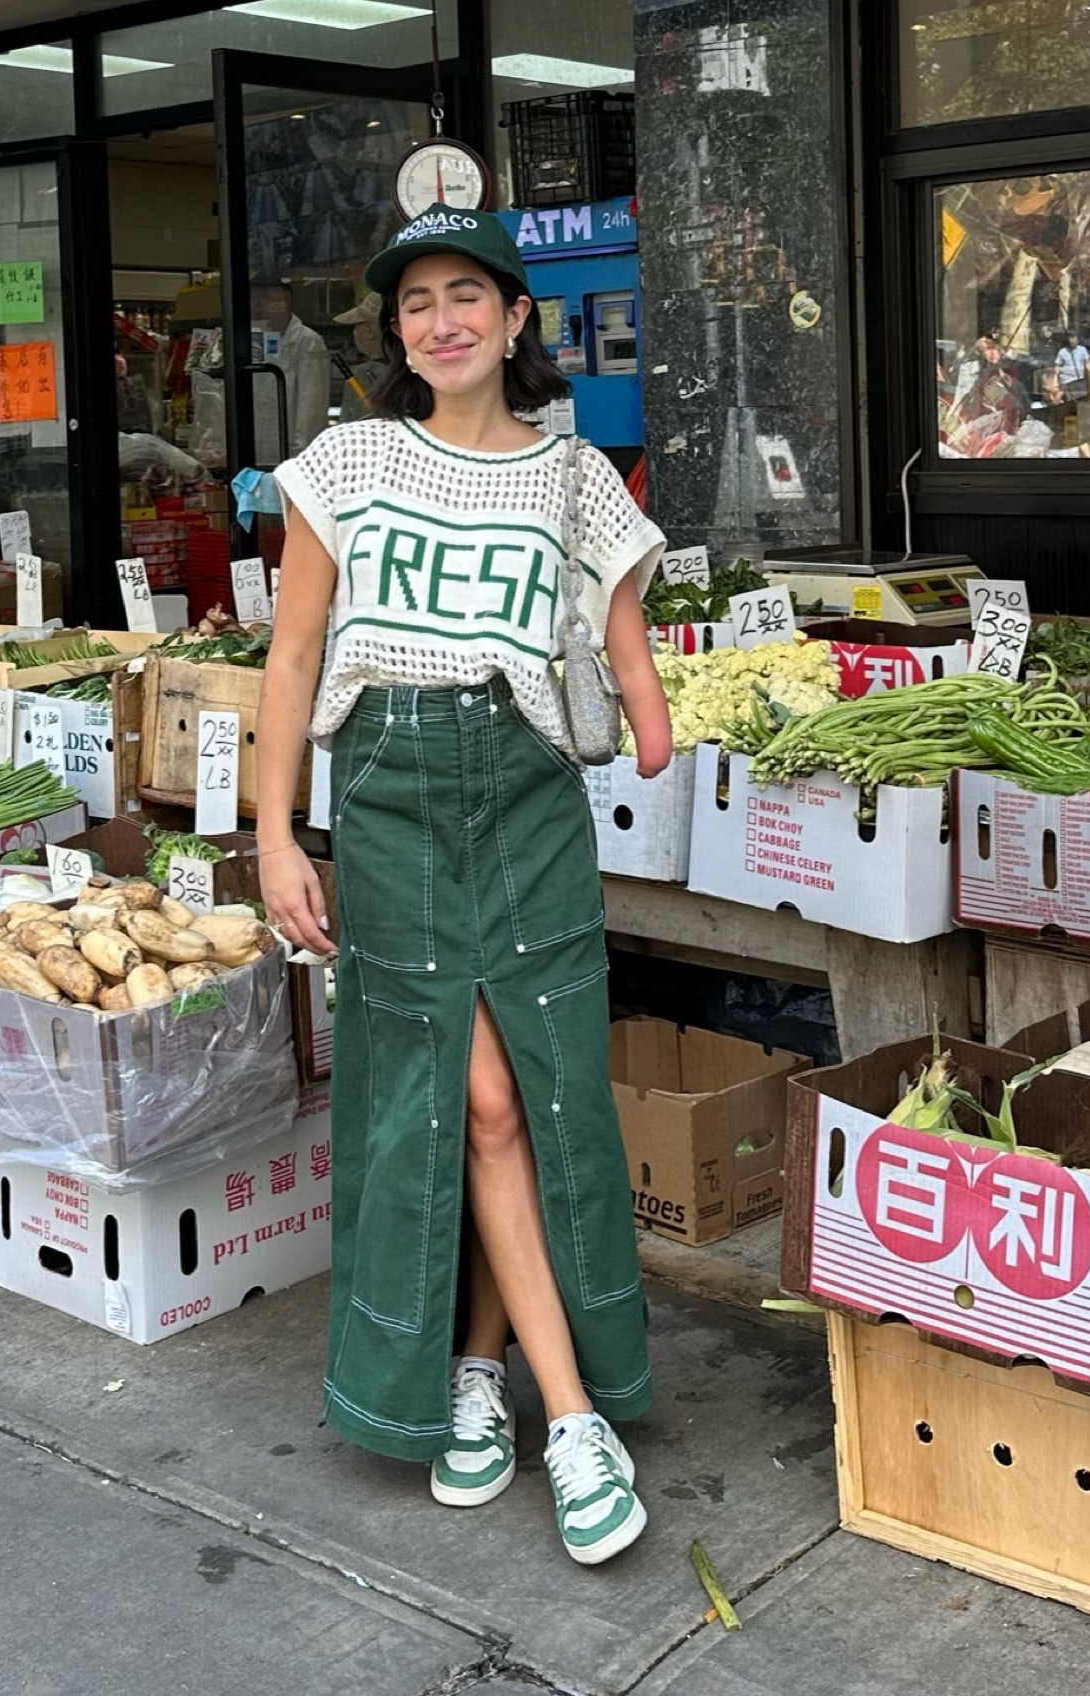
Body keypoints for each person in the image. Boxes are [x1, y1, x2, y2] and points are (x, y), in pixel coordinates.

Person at [257, 205, 672, 1567]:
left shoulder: (572, 477)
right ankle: (575, 1417)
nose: (441, 321)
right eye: (416, 302)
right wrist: (277, 835)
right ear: (397, 334)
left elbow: (623, 644)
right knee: (468, 1099)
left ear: (514, 320)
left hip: (529, 795)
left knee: (539, 1096)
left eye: (467, 296)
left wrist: (653, 704)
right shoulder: (350, 463)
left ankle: (478, 1375)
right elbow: (294, 660)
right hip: (390, 800)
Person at [251, 280, 330, 461]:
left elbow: (311, 407)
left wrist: (301, 458)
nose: (256, 305)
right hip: (255, 453)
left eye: (264, 297)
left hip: (291, 458)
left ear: (285, 301)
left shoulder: (307, 341)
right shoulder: (252, 339)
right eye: (253, 298)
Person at [332, 292, 387, 422]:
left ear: (369, 332)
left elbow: (348, 425)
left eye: (357, 325)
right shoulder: (409, 370)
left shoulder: (363, 373)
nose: (354, 332)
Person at [1054, 326, 1090, 446]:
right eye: (1070, 338)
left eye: (1075, 338)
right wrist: (1056, 382)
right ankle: (1070, 435)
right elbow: (1057, 366)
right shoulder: (1062, 352)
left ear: (1078, 339)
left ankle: (1084, 436)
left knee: (1082, 406)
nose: (1072, 340)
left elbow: (1087, 363)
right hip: (1067, 382)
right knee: (1070, 407)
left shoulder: (1082, 350)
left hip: (1080, 381)